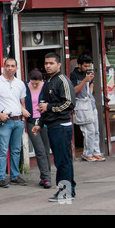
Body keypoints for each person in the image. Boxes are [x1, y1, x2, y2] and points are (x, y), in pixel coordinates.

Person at [32, 52, 76, 202]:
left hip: (62, 126)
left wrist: (49, 107)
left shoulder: (63, 80)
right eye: (46, 63)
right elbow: (43, 107)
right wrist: (39, 124)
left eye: (51, 63)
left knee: (62, 161)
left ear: (59, 64)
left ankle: (65, 193)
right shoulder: (48, 81)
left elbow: (69, 104)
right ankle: (69, 190)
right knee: (62, 160)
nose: (48, 66)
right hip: (52, 126)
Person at [0, 58, 30, 188]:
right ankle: (1, 178)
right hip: (5, 122)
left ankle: (14, 176)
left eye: (12, 66)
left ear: (16, 68)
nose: (10, 68)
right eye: (7, 66)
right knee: (2, 150)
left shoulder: (20, 84)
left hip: (18, 121)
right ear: (4, 67)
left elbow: (22, 103)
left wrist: (23, 119)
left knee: (16, 150)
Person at [70, 54, 105, 162]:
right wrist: (85, 80)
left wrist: (90, 88)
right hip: (81, 105)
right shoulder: (74, 75)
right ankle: (87, 153)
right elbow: (74, 91)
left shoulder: (87, 74)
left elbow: (91, 86)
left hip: (91, 103)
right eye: (84, 66)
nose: (86, 68)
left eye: (88, 66)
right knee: (89, 131)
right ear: (79, 65)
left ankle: (96, 152)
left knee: (96, 130)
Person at [24, 68, 52, 189]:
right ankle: (47, 179)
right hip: (31, 121)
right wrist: (23, 110)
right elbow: (18, 101)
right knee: (39, 150)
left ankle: (45, 176)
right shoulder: (25, 86)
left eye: (37, 83)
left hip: (44, 121)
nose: (34, 85)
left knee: (46, 150)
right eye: (32, 82)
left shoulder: (46, 86)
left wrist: (47, 107)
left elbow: (52, 102)